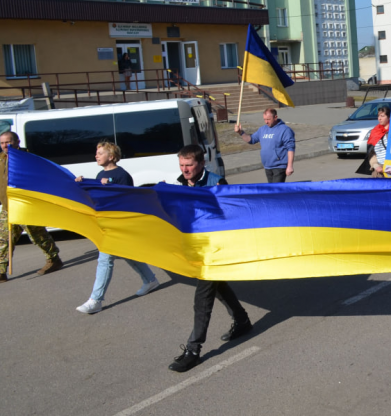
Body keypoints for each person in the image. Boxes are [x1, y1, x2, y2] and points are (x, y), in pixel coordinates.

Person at [169, 145, 252, 373]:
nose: (185, 170)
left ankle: (193, 350)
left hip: (216, 249)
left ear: (201, 163)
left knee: (202, 297)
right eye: (182, 165)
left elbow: (230, 215)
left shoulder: (217, 183)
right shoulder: (180, 183)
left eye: (189, 165)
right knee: (218, 287)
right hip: (196, 246)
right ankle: (242, 320)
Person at [74, 142, 159, 314]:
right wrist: (82, 184)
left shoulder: (122, 175)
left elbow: (128, 198)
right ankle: (150, 280)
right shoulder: (99, 174)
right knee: (128, 254)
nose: (96, 156)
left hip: (119, 223)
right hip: (107, 222)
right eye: (96, 153)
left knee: (105, 259)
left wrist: (110, 186)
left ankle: (96, 300)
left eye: (100, 153)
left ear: (111, 156)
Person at [0, 131, 63, 282]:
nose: (5, 146)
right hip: (8, 206)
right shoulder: (1, 159)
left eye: (8, 142)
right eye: (2, 143)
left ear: (17, 142)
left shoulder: (28, 159)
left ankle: (54, 259)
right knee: (3, 239)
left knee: (37, 235)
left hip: (26, 205)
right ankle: (1, 270)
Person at [234, 108, 295, 183]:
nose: (266, 122)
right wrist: (241, 132)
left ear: (275, 117)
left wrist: (290, 166)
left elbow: (290, 148)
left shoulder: (285, 130)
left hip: (279, 166)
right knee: (271, 191)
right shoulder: (262, 129)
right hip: (267, 166)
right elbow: (251, 139)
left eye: (268, 119)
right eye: (264, 119)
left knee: (275, 191)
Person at [366, 107, 390, 178]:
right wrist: (376, 166)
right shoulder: (374, 132)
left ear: (389, 117)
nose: (379, 118)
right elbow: (371, 153)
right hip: (379, 171)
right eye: (378, 116)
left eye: (382, 116)